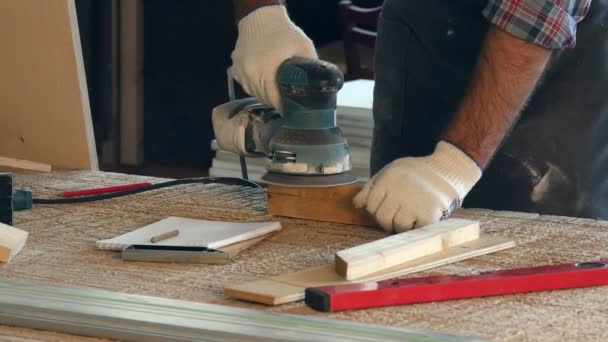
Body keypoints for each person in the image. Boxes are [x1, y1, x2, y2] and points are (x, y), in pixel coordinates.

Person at [230, 0, 608, 233]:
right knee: (396, 222)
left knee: (541, 250)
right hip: (424, 29)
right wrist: (261, 16)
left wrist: (453, 165)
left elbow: (534, 11)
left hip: (548, 54)